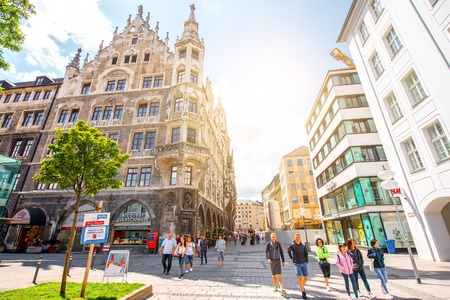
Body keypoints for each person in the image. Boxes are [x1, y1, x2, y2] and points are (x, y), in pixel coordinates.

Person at [287, 233, 309, 299]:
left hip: (304, 263)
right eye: (296, 237)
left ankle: (301, 285)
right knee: (300, 277)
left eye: (298, 237)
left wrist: (306, 261)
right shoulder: (293, 245)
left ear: (300, 238)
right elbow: (288, 250)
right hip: (297, 263)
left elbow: (306, 253)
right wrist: (291, 258)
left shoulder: (303, 246)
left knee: (306, 277)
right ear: (295, 238)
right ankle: (303, 292)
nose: (297, 238)